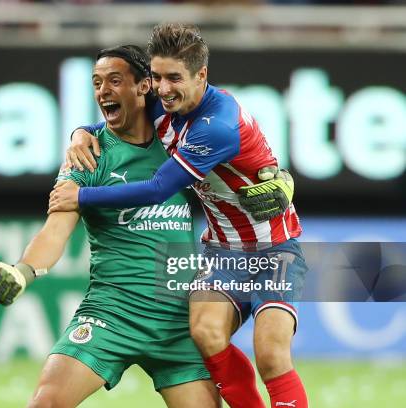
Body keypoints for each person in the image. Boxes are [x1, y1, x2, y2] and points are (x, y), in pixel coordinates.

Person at [49, 24, 308, 408]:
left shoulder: (216, 126)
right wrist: (80, 132)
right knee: (205, 333)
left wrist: (81, 195)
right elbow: (118, 119)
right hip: (222, 251)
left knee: (270, 354)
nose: (163, 88)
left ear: (201, 75)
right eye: (156, 77)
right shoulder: (162, 101)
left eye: (174, 78)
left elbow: (157, 189)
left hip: (274, 248)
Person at [0, 45, 221, 408]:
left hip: (178, 320)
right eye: (96, 82)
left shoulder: (177, 141)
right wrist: (23, 272)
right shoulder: (87, 156)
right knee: (45, 403)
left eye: (114, 80)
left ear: (144, 87)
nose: (102, 90)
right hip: (113, 313)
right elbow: (55, 230)